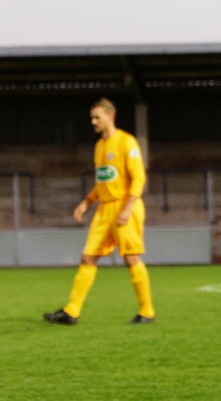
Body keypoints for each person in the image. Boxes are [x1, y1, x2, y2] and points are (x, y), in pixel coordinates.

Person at [43, 97, 156, 325]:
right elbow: (104, 181)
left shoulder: (126, 142)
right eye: (91, 118)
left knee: (131, 258)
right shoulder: (100, 146)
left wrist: (127, 209)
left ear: (110, 116)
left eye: (97, 117)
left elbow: (138, 178)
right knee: (88, 256)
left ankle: (147, 311)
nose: (93, 122)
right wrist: (86, 202)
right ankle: (71, 311)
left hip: (125, 206)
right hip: (104, 210)